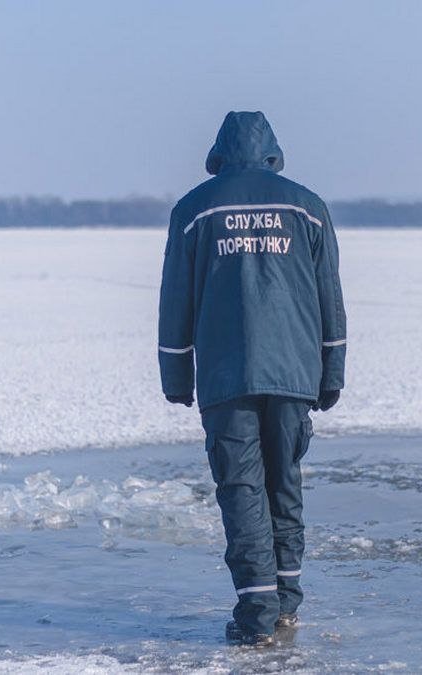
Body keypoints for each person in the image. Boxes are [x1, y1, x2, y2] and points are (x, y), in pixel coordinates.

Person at [158, 111, 346, 646]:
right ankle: (284, 605)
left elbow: (176, 298)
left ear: (219, 153)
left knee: (242, 488)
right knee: (283, 484)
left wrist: (177, 372)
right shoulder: (307, 207)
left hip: (227, 374)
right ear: (271, 152)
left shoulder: (194, 210)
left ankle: (258, 612)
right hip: (294, 372)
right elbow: (329, 295)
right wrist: (331, 369)